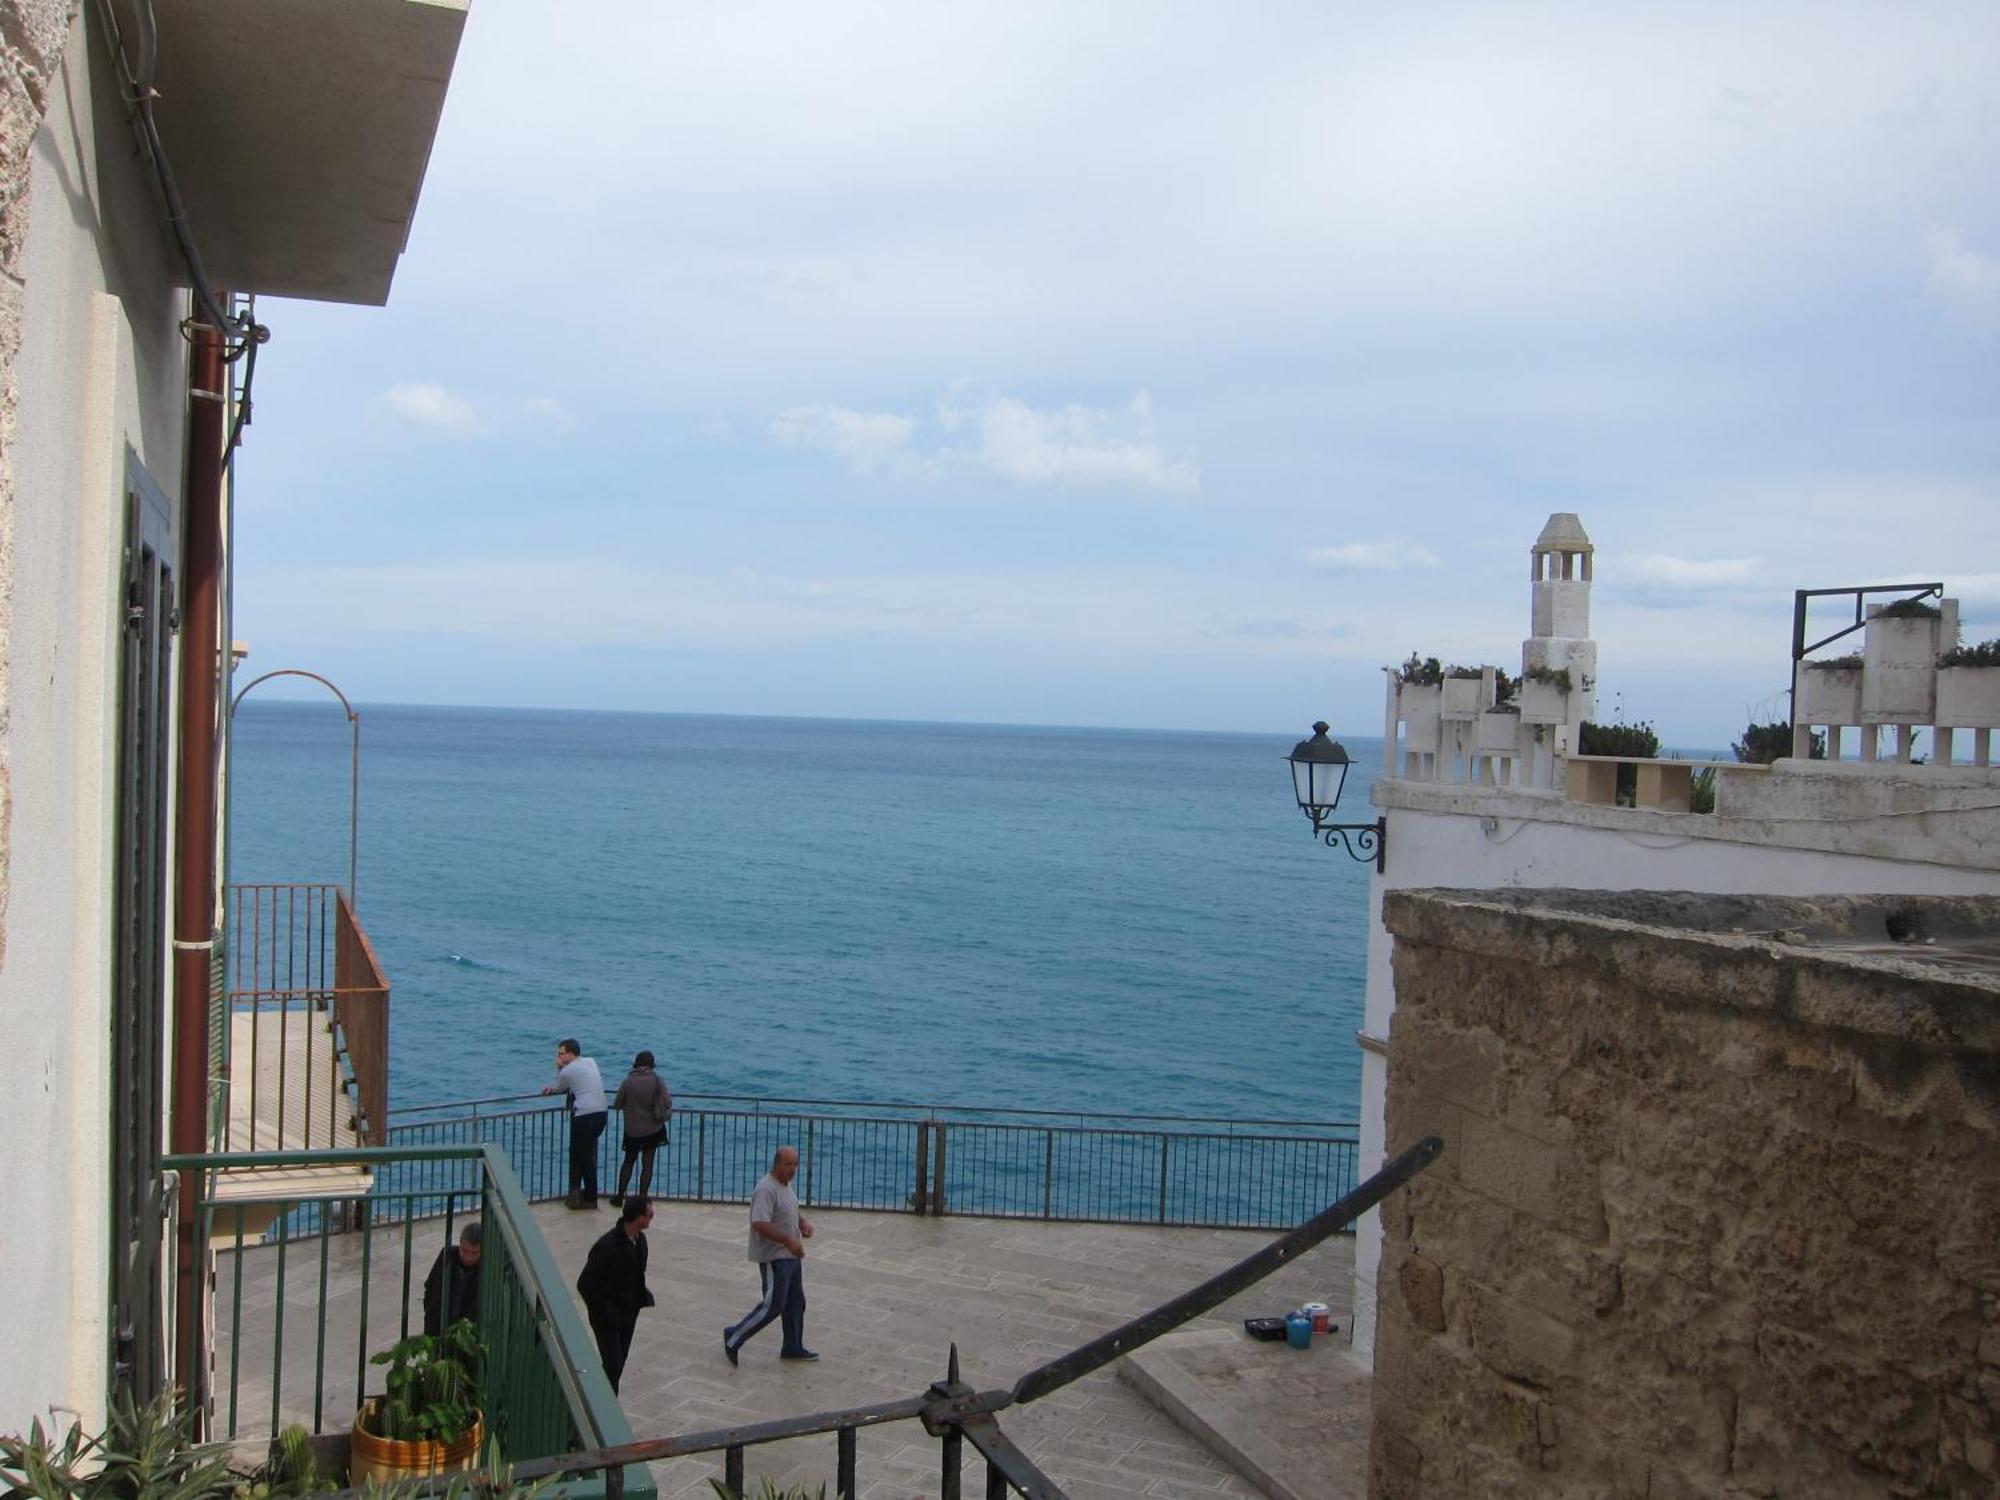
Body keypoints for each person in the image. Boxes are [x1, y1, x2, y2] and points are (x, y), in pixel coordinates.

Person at [722, 1144, 817, 1365]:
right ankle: (733, 1337)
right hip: (775, 1256)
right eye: (788, 1164)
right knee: (773, 1305)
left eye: (795, 1164)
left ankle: (793, 1346)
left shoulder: (785, 1186)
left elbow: (789, 1209)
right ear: (776, 1164)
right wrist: (788, 1240)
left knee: (796, 1302)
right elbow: (759, 1223)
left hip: (790, 1255)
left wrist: (802, 1223)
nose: (793, 1169)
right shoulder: (766, 1188)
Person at [576, 1195, 655, 1393]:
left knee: (618, 1363)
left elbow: (638, 1273)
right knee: (612, 1364)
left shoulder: (641, 1241)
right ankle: (604, 1404)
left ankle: (606, 1399)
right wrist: (606, 1310)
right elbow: (585, 1284)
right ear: (639, 1218)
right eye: (650, 1214)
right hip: (607, 1316)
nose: (652, 1217)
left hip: (629, 1312)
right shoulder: (606, 1246)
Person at [541, 1038, 608, 1208]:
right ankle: (581, 1194)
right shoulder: (591, 1061)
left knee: (583, 1157)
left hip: (584, 1116)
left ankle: (590, 1197)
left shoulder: (567, 1071)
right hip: (601, 1113)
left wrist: (559, 1068)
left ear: (570, 1054)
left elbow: (559, 1087)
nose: (558, 1057)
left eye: (561, 1054)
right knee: (585, 1153)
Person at [610, 1049, 672, 1206]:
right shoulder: (657, 1081)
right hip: (654, 1129)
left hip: (633, 1130)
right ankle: (643, 1198)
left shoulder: (628, 1081)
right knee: (648, 1164)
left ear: (636, 1064)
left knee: (628, 1162)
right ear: (652, 1065)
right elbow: (667, 1102)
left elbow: (617, 1104)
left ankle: (619, 1196)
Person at [422, 1221, 482, 1335]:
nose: (468, 1258)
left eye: (474, 1253)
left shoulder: (485, 1269)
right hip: (437, 1328)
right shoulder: (447, 1256)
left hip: (466, 1336)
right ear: (459, 1244)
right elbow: (430, 1286)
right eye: (464, 1251)